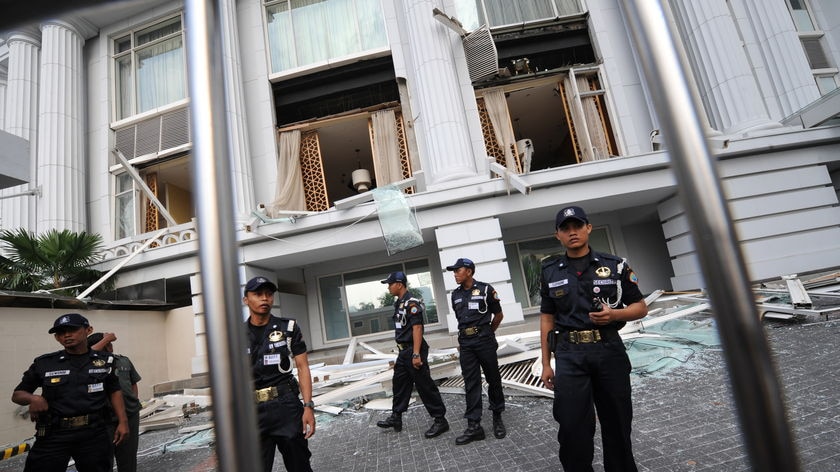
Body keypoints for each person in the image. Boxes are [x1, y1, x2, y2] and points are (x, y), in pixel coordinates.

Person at [538, 205, 648, 471]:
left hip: (608, 350)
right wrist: (545, 363)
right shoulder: (550, 270)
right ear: (558, 235)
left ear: (588, 228)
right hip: (570, 354)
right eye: (565, 229)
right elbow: (546, 319)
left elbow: (641, 307)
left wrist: (614, 315)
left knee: (617, 422)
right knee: (572, 426)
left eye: (577, 226)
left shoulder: (615, 265)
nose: (572, 232)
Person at [11, 313, 129, 472]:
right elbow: (18, 394)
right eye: (60, 333)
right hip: (54, 434)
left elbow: (114, 391)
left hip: (94, 433)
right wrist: (33, 398)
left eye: (72, 330)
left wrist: (123, 422)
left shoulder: (105, 361)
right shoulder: (45, 363)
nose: (66, 335)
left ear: (88, 330)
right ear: (56, 338)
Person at [243, 276, 315, 472]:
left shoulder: (288, 328)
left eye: (268, 294)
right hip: (252, 411)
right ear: (246, 300)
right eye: (258, 294)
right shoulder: (236, 335)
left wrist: (308, 406)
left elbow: (302, 367)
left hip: (286, 407)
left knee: (299, 464)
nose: (265, 298)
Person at [375, 271, 449, 438]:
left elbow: (417, 328)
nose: (388, 287)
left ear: (399, 284)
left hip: (413, 350)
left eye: (390, 284)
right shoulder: (399, 303)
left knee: (424, 385)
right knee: (399, 384)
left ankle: (440, 420)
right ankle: (396, 417)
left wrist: (416, 354)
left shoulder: (412, 303)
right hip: (403, 351)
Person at [446, 257, 506, 445]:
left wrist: (487, 333)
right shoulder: (455, 295)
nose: (455, 274)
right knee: (471, 383)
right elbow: (459, 318)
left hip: (484, 341)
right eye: (454, 271)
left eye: (458, 270)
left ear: (469, 272)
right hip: (466, 343)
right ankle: (474, 426)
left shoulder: (487, 289)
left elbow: (498, 315)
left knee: (493, 378)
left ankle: (497, 416)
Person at [88, 332, 142, 472]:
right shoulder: (90, 364)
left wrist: (134, 400)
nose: (110, 347)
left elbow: (133, 382)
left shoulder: (123, 360)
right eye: (106, 345)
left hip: (130, 415)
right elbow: (89, 354)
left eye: (110, 344)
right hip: (105, 419)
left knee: (128, 457)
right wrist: (106, 338)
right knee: (104, 459)